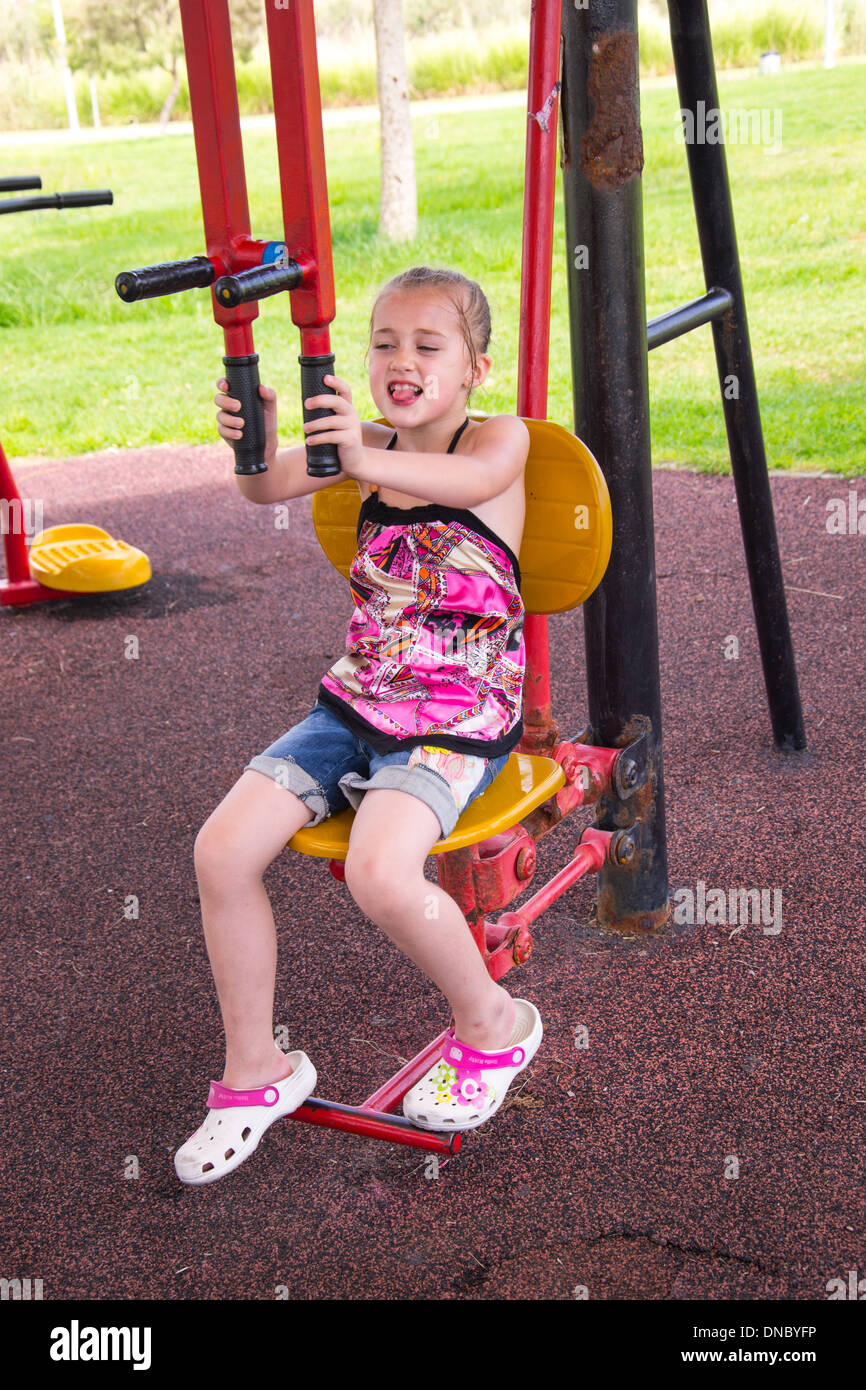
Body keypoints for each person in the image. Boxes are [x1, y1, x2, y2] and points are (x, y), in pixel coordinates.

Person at [175, 266, 542, 1185]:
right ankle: (256, 1070)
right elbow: (264, 491)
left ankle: (494, 1024)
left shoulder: (498, 444)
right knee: (221, 852)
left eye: (428, 345)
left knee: (380, 873)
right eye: (384, 343)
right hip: (357, 701)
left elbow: (469, 478)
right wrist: (253, 441)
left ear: (475, 369)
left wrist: (356, 453)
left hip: (454, 716)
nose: (401, 360)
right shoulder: (369, 443)